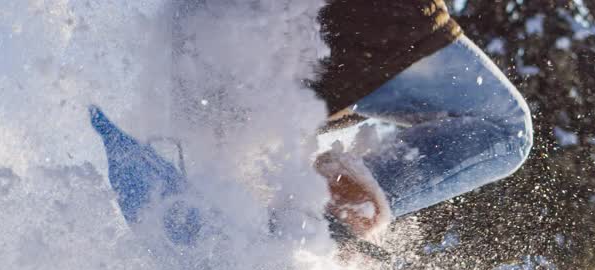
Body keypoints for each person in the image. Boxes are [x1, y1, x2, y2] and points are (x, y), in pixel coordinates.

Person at [171, 0, 534, 244]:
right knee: (504, 128)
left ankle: (218, 183)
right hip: (366, 28)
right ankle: (312, 224)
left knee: (223, 117)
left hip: (238, 28)